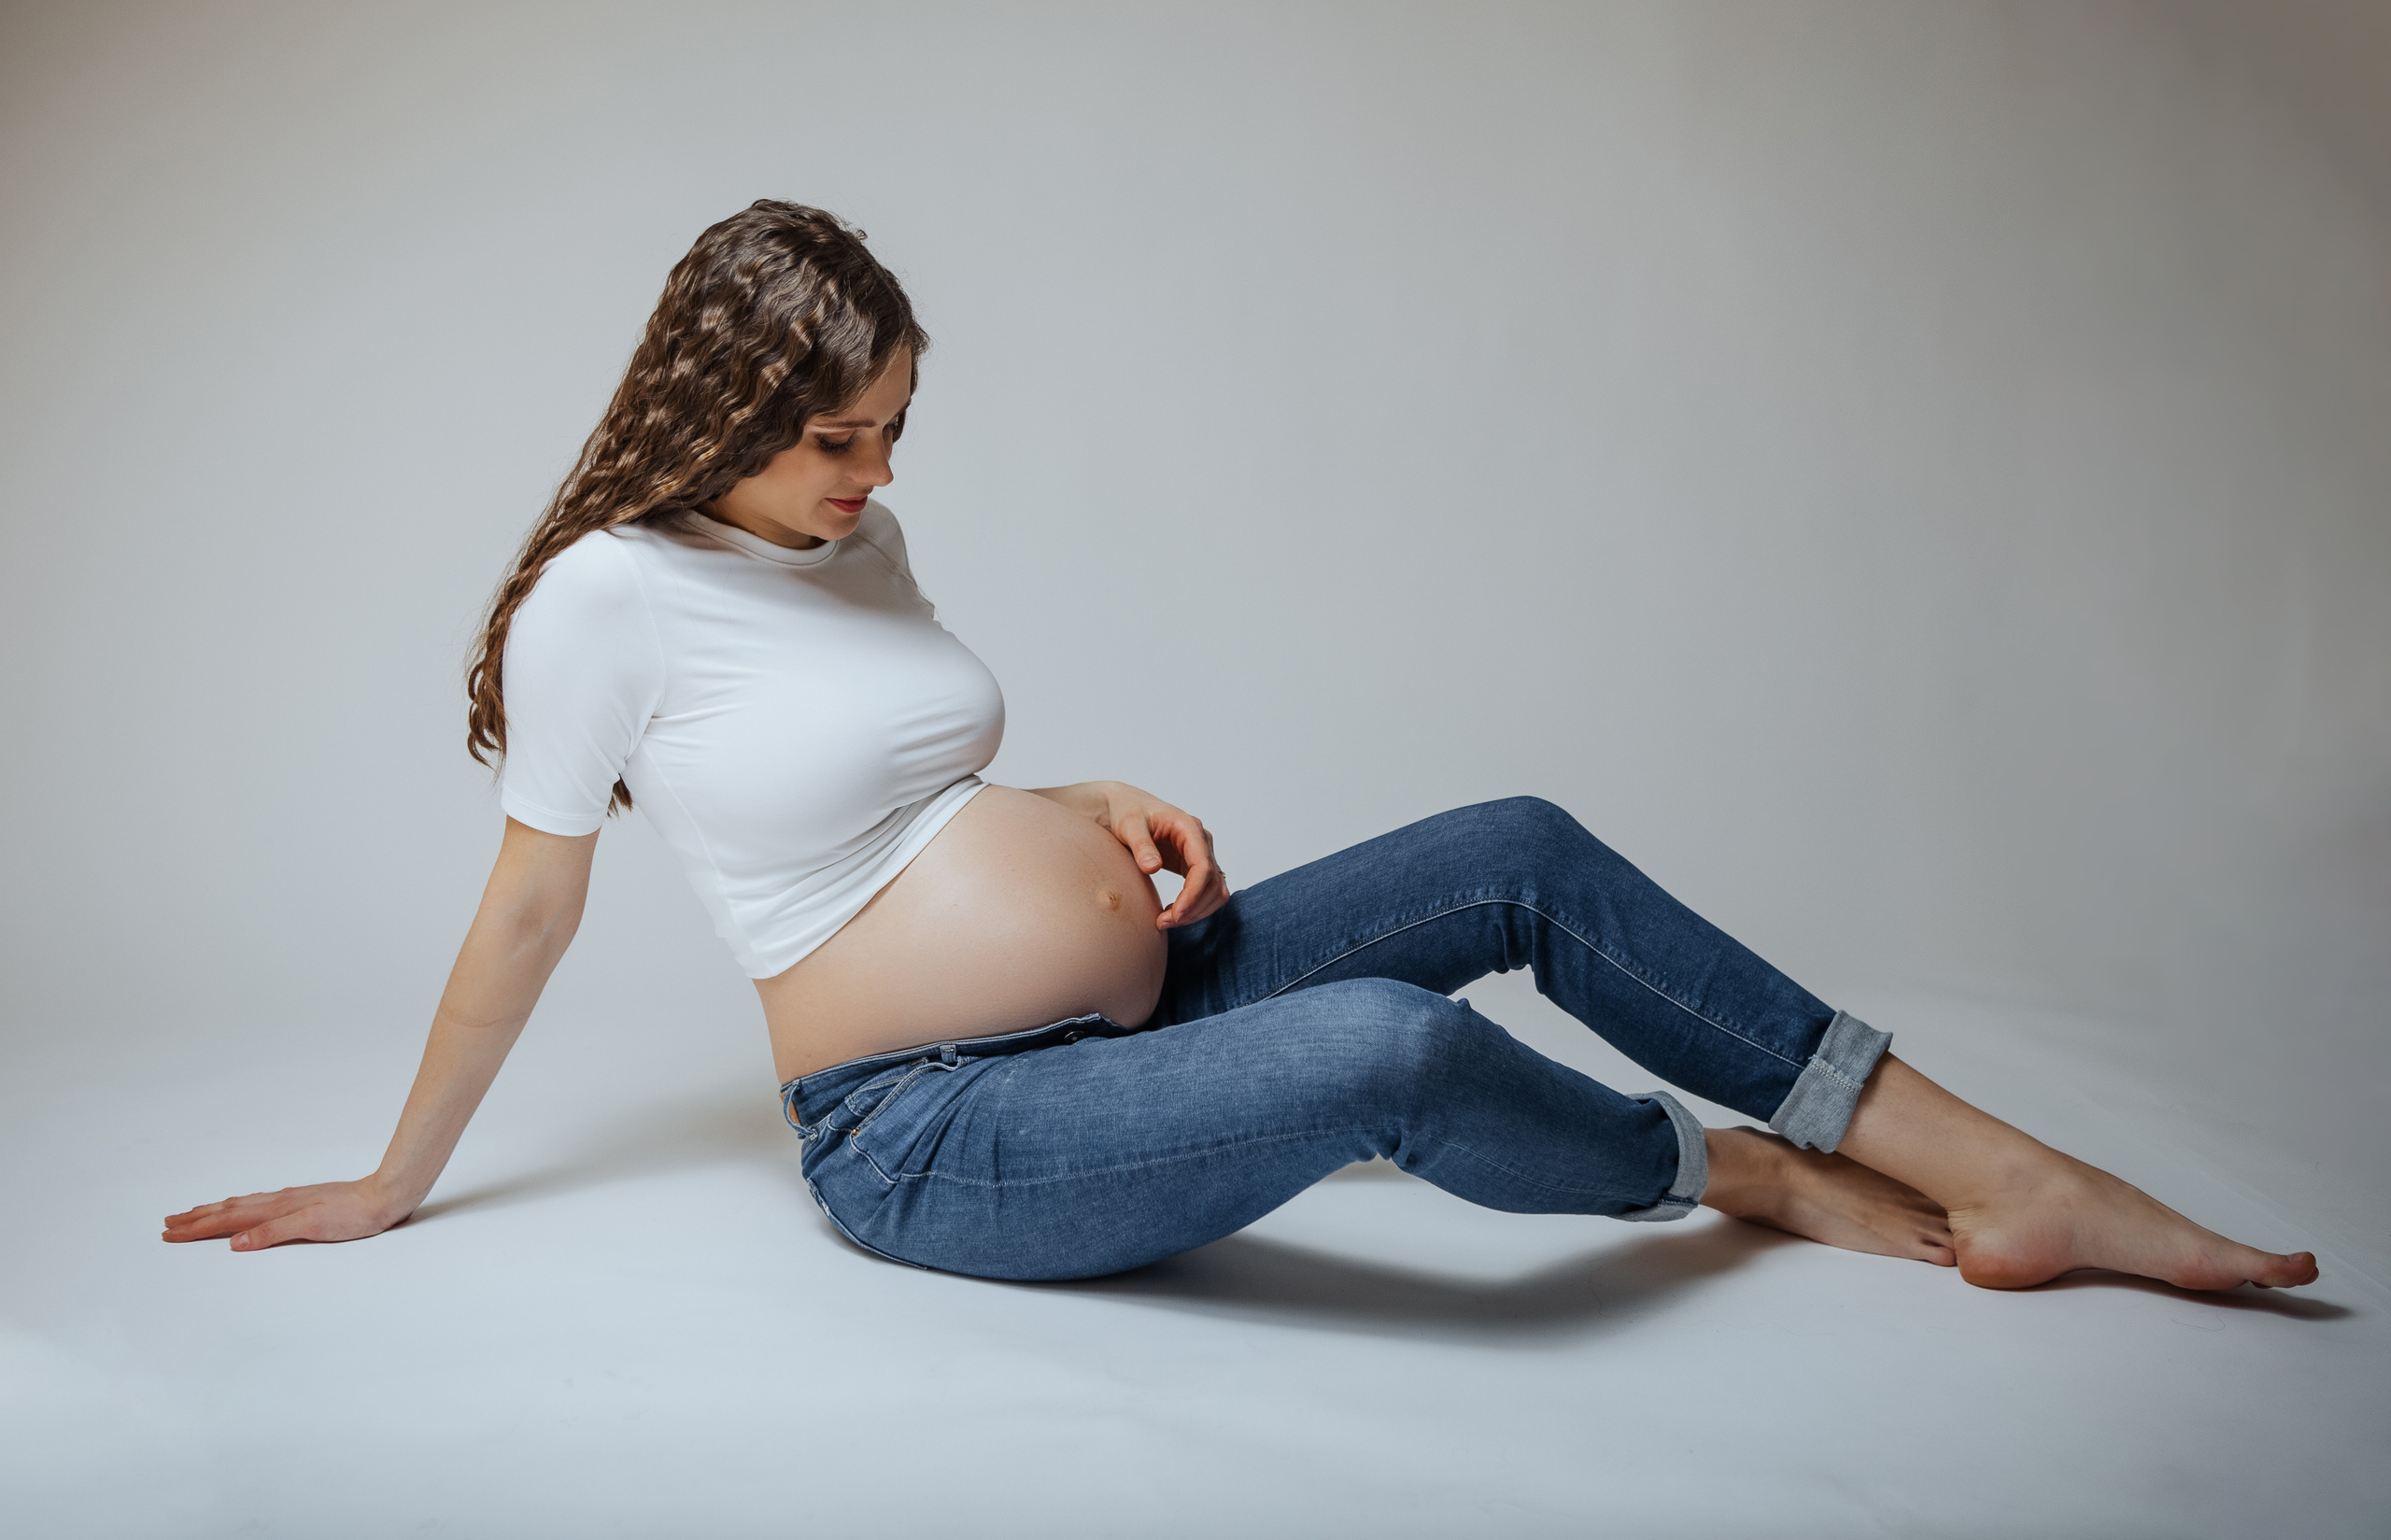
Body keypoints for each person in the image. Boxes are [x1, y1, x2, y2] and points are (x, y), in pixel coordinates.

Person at [164, 202, 2316, 1293]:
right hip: (929, 1134)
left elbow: (897, 782)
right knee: (1383, 1043)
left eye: (897, 426)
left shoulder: (858, 538)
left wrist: (1072, 802)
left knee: (1518, 841)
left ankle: (2006, 1170)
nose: (873, 467)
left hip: (1136, 999)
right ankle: (1739, 1171)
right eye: (836, 433)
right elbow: (531, 904)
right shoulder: (607, 600)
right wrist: (388, 1181)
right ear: (714, 408)